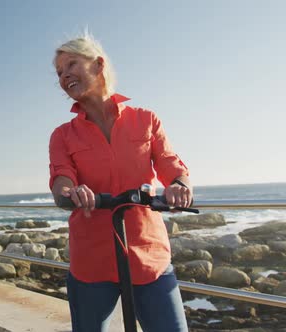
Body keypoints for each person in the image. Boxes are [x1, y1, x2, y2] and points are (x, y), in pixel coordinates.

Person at [49, 33, 192, 332]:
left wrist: (178, 185)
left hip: (148, 257)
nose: (64, 76)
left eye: (71, 64)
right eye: (59, 72)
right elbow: (61, 180)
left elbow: (170, 164)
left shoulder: (146, 119)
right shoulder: (62, 135)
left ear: (98, 65)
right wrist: (70, 192)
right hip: (91, 262)